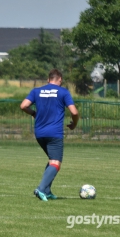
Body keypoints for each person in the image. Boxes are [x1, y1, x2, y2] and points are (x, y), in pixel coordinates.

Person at [20, 69, 79, 201]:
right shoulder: (63, 92)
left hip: (39, 133)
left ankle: (47, 191)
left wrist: (34, 113)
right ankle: (40, 189)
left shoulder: (36, 91)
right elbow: (74, 112)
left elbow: (23, 105)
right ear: (60, 80)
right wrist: (74, 124)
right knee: (56, 163)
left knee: (52, 160)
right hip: (54, 133)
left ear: (48, 79)